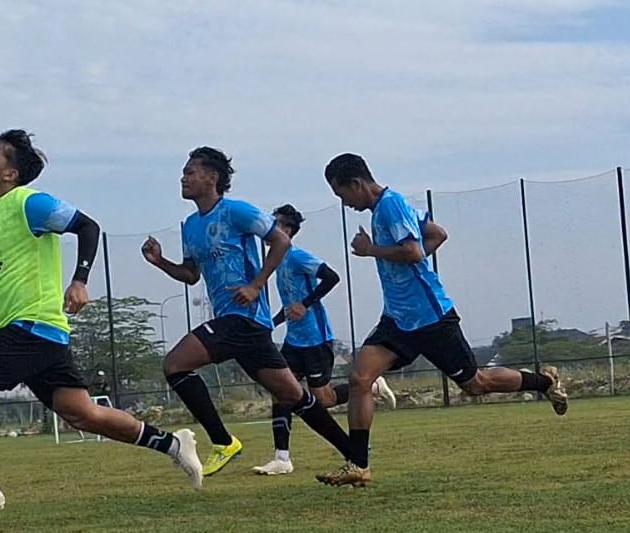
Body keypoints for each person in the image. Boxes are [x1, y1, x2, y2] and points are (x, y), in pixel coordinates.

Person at [0, 130, 202, 525]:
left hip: (32, 325)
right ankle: (172, 443)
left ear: (10, 174)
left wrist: (80, 279)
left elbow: (88, 227)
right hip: (31, 333)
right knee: (83, 415)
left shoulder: (31, 203)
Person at [321, 153, 569, 486]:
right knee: (359, 378)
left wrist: (371, 251)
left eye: (342, 195)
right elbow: (438, 234)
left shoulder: (391, 207)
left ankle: (544, 382)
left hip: (430, 317)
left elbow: (413, 252)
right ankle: (359, 465)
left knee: (475, 385)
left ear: (356, 184)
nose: (345, 203)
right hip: (397, 318)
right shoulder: (393, 205)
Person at [142, 148, 358, 477]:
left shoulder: (236, 211)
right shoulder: (190, 226)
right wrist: (160, 262)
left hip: (243, 318)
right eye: (183, 173)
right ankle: (355, 455)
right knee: (294, 397)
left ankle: (223, 441)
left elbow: (280, 242)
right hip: (243, 327)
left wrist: (256, 285)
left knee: (175, 364)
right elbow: (191, 275)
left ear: (212, 178)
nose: (183, 178)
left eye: (190, 172)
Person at [253, 204, 397, 476]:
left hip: (316, 339)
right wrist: (270, 324)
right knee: (281, 392)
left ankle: (374, 386)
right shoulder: (276, 261)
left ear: (286, 230)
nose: (268, 229)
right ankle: (282, 458)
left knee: (325, 399)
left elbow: (332, 277)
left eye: (276, 224)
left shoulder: (297, 257)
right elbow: (290, 306)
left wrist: (306, 304)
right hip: (294, 342)